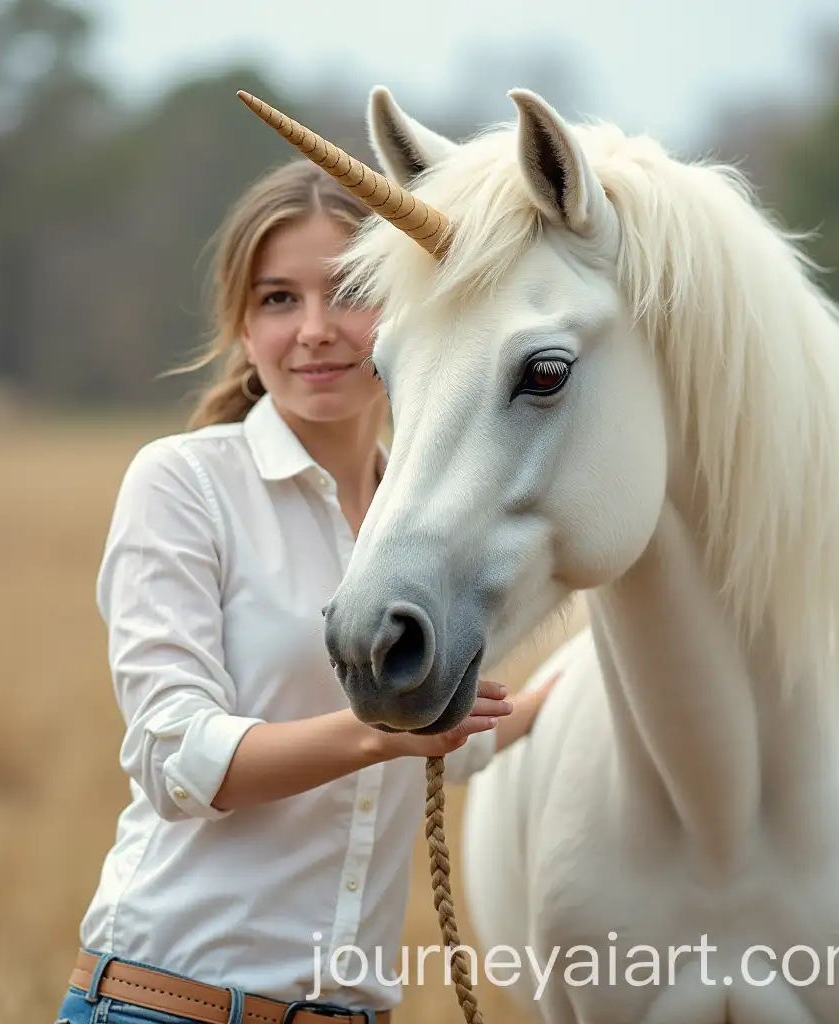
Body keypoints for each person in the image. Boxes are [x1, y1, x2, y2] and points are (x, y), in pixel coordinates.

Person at [54, 156, 556, 1024]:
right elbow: (175, 758)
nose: (315, 329)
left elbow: (456, 739)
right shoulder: (184, 484)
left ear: (413, 309)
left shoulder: (429, 533)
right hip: (168, 1007)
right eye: (278, 299)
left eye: (349, 290)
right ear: (243, 329)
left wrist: (600, 672)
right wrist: (376, 736)